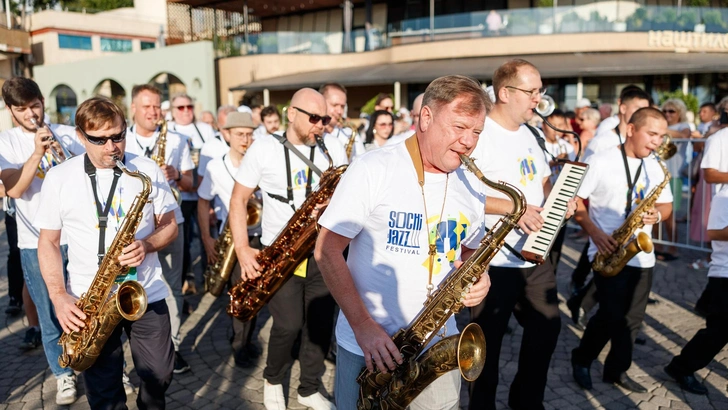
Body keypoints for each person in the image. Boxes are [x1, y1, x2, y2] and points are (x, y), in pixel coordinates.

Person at [315, 75, 492, 409]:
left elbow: (470, 250)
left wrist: (480, 276)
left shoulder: (472, 184)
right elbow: (326, 249)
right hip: (368, 346)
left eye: (477, 132)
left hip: (438, 346)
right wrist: (364, 326)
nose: (469, 142)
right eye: (458, 127)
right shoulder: (374, 167)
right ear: (425, 118)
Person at [36, 96, 177, 409]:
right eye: (99, 140)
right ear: (80, 136)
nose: (112, 147)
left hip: (144, 291)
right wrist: (59, 297)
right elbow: (47, 242)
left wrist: (147, 244)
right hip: (90, 299)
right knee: (104, 394)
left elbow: (170, 224)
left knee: (160, 375)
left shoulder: (146, 169)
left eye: (118, 136)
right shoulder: (60, 177)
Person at [467, 59, 576, 410]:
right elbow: (463, 194)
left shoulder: (530, 133)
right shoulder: (479, 134)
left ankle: (526, 401)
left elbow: (541, 181)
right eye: (532, 91)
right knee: (487, 347)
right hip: (491, 260)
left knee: (547, 329)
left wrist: (560, 197)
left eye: (540, 90)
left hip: (532, 254)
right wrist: (516, 209)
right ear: (504, 93)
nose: (539, 99)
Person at [229, 88, 347, 410]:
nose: (321, 125)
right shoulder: (264, 149)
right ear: (291, 114)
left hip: (324, 251)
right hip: (281, 254)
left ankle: (309, 387)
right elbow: (238, 200)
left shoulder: (333, 147)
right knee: (288, 325)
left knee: (320, 324)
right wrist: (242, 249)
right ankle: (273, 379)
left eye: (325, 118)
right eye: (314, 118)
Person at [571, 107, 672, 393]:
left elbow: (667, 205)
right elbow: (577, 202)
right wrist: (595, 234)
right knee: (611, 316)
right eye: (651, 134)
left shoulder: (657, 165)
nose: (656, 142)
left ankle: (616, 371)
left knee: (633, 320)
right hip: (608, 250)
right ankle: (582, 358)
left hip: (643, 255)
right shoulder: (601, 160)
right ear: (631, 129)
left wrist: (658, 215)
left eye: (661, 136)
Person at [0, 76, 85, 405]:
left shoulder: (65, 133)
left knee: (88, 303)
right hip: (34, 240)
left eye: (35, 106)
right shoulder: (6, 143)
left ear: (43, 102)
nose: (31, 114)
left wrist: (63, 152)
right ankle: (63, 374)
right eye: (22, 109)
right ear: (11, 111)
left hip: (75, 235)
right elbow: (15, 189)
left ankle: (102, 363)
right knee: (50, 313)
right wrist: (37, 153)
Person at [127, 84, 195, 374]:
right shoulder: (120, 141)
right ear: (133, 109)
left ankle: (174, 346)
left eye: (157, 106)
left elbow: (191, 184)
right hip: (134, 228)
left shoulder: (177, 140)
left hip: (170, 222)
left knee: (172, 287)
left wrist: (176, 174)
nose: (153, 112)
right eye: (147, 106)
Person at [197, 112, 261, 368]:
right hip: (232, 238)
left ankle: (244, 338)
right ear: (226, 135)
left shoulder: (259, 162)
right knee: (240, 292)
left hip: (260, 235)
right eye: (239, 134)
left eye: (249, 134)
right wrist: (206, 238)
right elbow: (203, 203)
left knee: (255, 292)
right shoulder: (215, 167)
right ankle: (240, 344)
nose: (245, 140)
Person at [664, 184, 728, 396]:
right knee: (718, 331)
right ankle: (681, 368)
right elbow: (714, 233)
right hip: (725, 273)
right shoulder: (724, 196)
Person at [167, 93, 216, 296]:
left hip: (205, 192)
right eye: (181, 107)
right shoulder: (169, 131)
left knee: (209, 236)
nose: (186, 110)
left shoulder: (204, 129)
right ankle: (187, 279)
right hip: (182, 196)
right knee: (185, 240)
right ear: (173, 111)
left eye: (189, 106)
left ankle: (211, 276)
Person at [320, 83, 365, 159]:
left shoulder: (350, 134)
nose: (340, 111)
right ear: (321, 102)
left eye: (342, 106)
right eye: (334, 105)